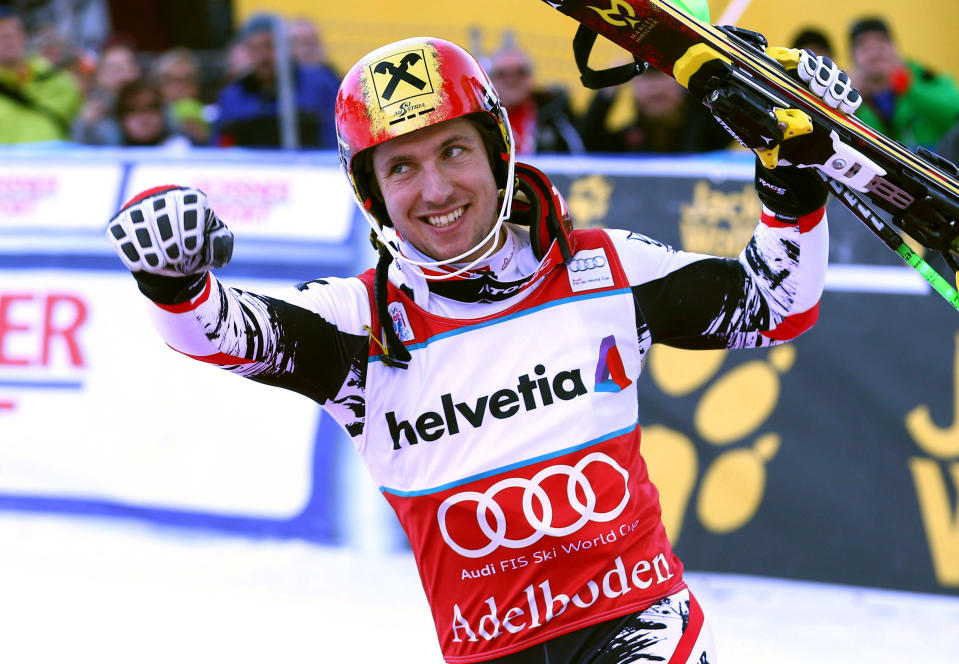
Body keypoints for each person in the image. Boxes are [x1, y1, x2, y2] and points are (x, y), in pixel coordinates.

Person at [106, 38, 857, 663]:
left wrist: (790, 180)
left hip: (639, 625)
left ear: (498, 152)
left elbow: (773, 305)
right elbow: (212, 330)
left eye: (453, 151)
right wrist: (171, 279)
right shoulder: (358, 323)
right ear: (370, 192)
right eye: (400, 166)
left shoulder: (603, 268)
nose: (435, 189)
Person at [213, 13, 339, 148]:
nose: (263, 56)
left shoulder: (321, 86)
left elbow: (336, 142)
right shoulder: (232, 96)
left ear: (285, 46)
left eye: (269, 46)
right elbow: (220, 148)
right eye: (254, 48)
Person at [849, 16, 959, 148]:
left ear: (894, 48)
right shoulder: (851, 100)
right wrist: (851, 103)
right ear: (853, 57)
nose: (873, 51)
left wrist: (908, 86)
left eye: (880, 42)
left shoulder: (925, 78)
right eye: (863, 46)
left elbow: (953, 113)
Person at [579, 67, 731, 153]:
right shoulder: (630, 137)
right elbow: (588, 145)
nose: (655, 88)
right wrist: (605, 97)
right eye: (648, 83)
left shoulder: (705, 130)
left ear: (682, 90)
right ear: (635, 95)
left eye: (663, 95)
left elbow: (732, 125)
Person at [0, 6, 82, 143]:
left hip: (56, 162)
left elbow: (82, 128)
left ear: (24, 37)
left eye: (12, 34)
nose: (8, 41)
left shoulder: (59, 81)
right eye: (1, 37)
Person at [488, 44, 584, 154]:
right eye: (502, 74)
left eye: (520, 72)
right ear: (490, 79)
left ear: (531, 77)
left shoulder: (554, 113)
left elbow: (585, 143)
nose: (512, 79)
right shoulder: (480, 119)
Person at [71, 36, 141, 145]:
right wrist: (84, 125)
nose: (120, 73)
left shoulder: (153, 101)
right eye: (112, 68)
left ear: (137, 71)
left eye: (126, 66)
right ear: (98, 76)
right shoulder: (89, 110)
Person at [151, 47, 209, 145]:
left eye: (189, 79)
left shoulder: (208, 114)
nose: (182, 86)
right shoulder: (148, 114)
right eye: (176, 80)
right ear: (160, 84)